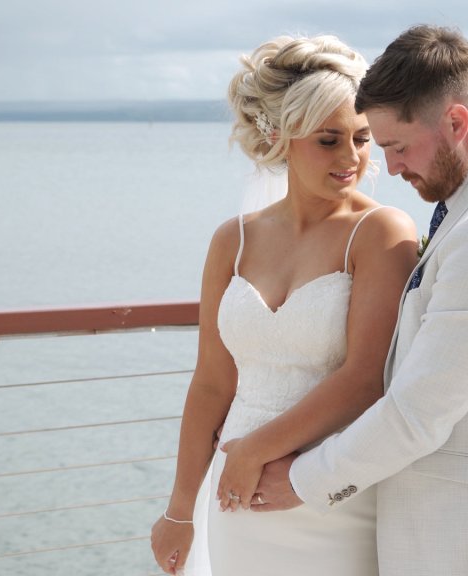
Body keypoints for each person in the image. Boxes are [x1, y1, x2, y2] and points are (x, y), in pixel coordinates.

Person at [223, 25, 468, 576]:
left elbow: (418, 413)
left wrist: (300, 481)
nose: (388, 167)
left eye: (395, 146)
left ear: (456, 123)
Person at [149, 34, 418, 575]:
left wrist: (255, 450)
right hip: (236, 497)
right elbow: (212, 383)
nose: (351, 158)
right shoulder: (233, 240)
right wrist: (180, 509)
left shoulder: (381, 232)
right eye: (329, 140)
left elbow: (366, 378)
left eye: (362, 138)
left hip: (326, 493)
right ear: (280, 137)